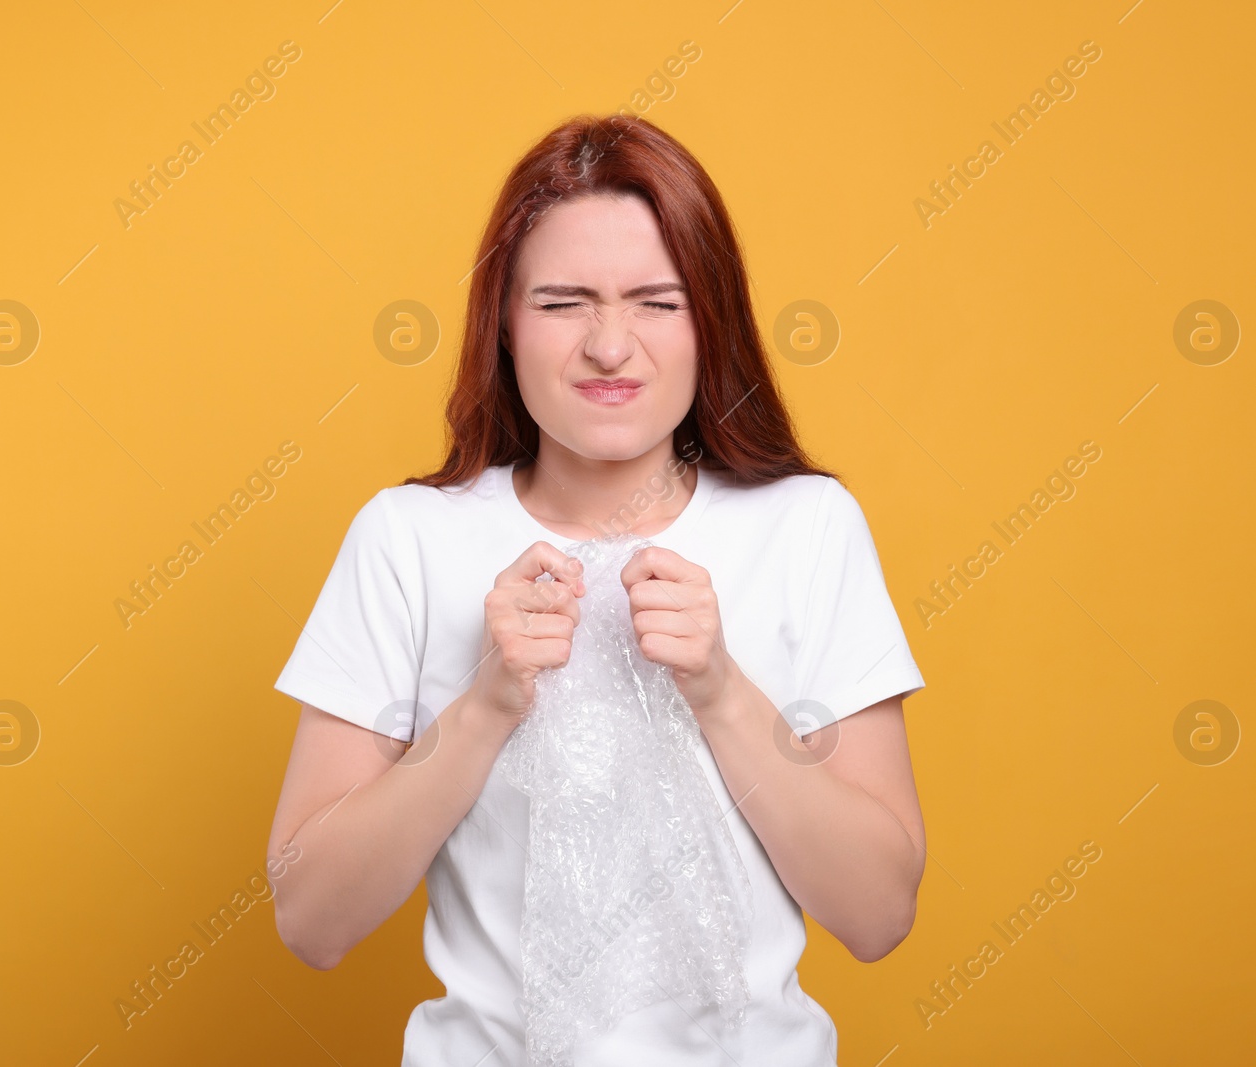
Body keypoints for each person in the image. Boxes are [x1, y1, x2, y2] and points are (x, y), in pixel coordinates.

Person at [265, 113, 927, 1066]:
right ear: (503, 318)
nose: (611, 347)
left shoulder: (807, 527)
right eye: (564, 302)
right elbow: (311, 918)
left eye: (658, 303)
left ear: (713, 321)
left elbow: (878, 913)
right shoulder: (408, 538)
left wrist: (723, 691)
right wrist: (485, 704)